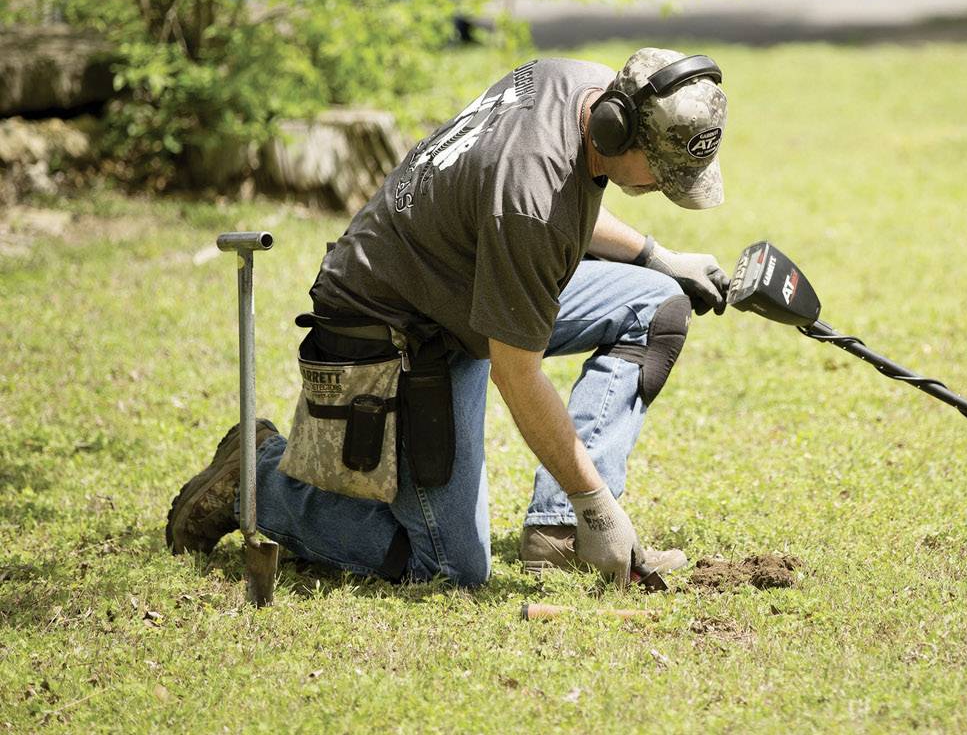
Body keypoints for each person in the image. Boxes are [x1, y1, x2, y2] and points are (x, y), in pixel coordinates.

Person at [165, 47, 731, 589]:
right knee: (450, 566)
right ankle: (256, 478)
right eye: (659, 172)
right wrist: (599, 504)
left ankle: (558, 530)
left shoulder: (577, 82)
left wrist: (659, 257)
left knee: (654, 304)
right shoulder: (530, 199)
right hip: (395, 328)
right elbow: (517, 372)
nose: (660, 187)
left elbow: (561, 200)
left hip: (469, 281)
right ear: (617, 126)